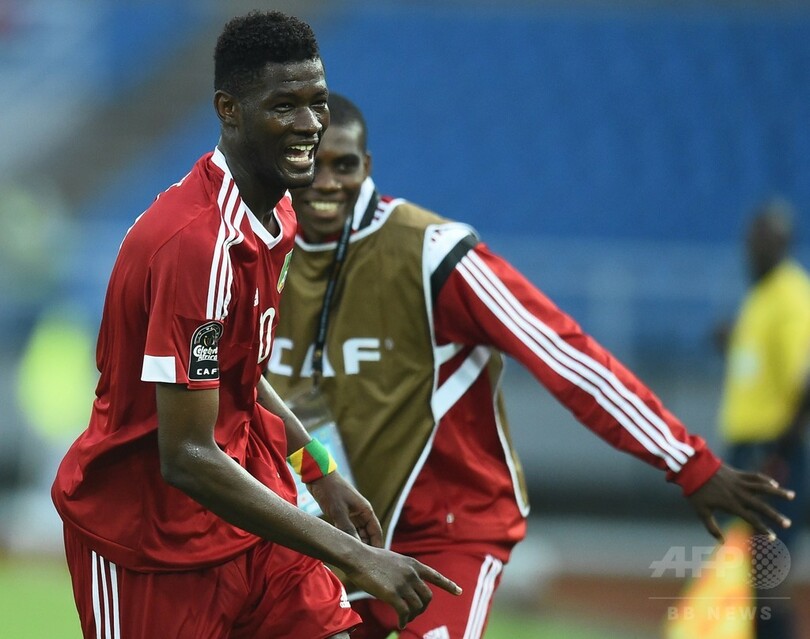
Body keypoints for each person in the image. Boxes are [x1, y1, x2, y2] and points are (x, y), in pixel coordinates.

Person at [266, 93, 795, 639]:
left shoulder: (432, 254)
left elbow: (568, 358)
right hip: (331, 534)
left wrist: (688, 462)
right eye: (313, 164)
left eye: (344, 165)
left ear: (367, 165)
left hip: (444, 533)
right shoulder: (258, 250)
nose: (326, 183)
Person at [51, 13, 460, 639]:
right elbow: (186, 456)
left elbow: (241, 373)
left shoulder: (278, 214)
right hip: (149, 542)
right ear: (230, 110)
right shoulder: (198, 247)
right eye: (284, 106)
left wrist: (320, 472)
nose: (310, 124)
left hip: (248, 518)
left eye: (317, 102)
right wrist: (352, 554)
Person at [715, 199, 810, 639]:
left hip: (772, 451)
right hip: (750, 448)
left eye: (760, 241)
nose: (750, 249)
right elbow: (760, 365)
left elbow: (804, 379)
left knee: (769, 570)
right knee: (752, 568)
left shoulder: (791, 295)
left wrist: (780, 451)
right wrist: (733, 342)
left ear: (781, 244)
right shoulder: (762, 295)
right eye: (750, 240)